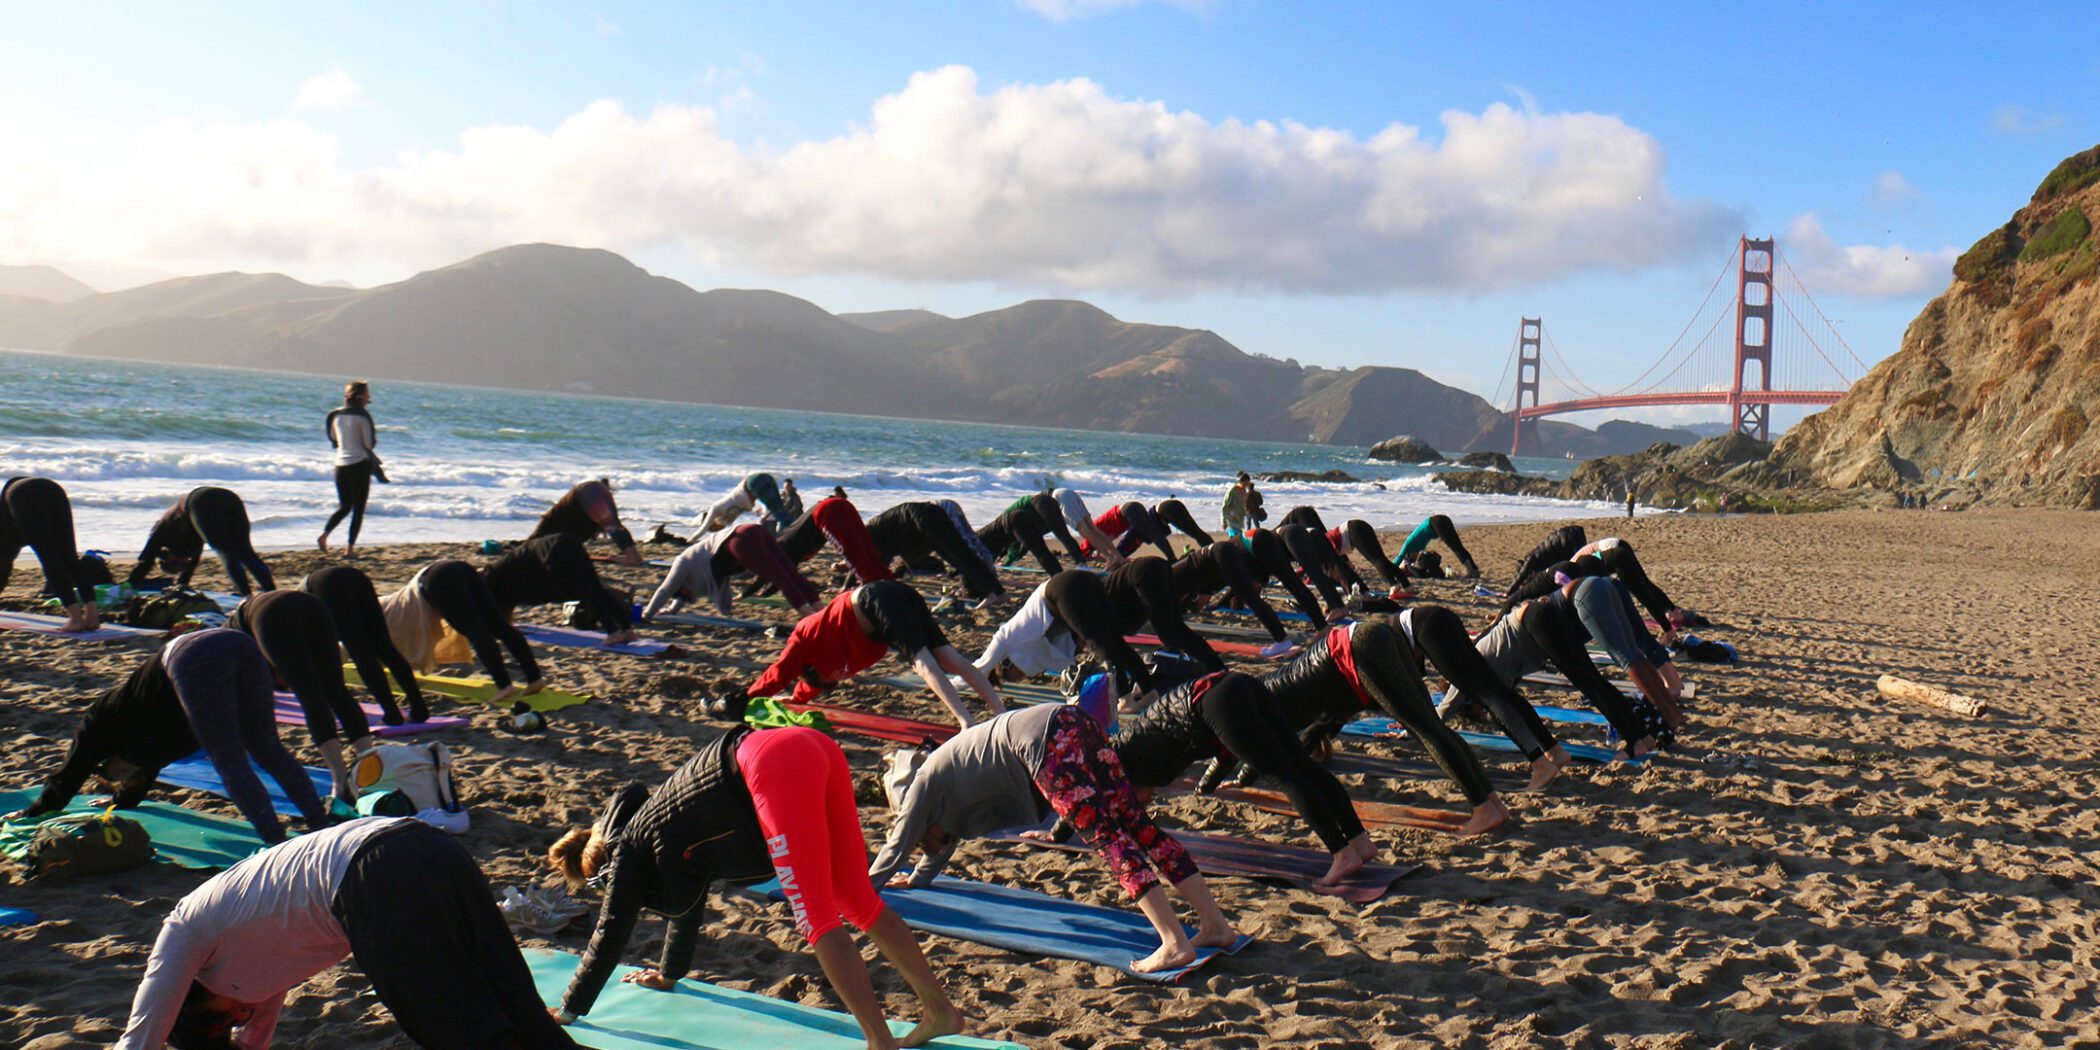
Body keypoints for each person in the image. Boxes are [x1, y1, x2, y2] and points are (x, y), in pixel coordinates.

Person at [549, 727, 963, 1049]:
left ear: (601, 862)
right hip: (810, 746)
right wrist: (668, 975)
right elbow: (686, 910)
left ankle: (878, 1041)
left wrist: (568, 1009)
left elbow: (610, 932)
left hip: (773, 764)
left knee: (814, 915)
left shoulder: (627, 853)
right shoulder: (659, 830)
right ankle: (939, 1011)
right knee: (854, 898)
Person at [119, 816, 574, 1050]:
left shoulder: (183, 932)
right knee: (515, 1001)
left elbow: (140, 1036)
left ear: (188, 999)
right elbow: (256, 1037)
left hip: (375, 872)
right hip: (427, 846)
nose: (243, 1016)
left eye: (225, 1020)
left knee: (452, 1026)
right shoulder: (255, 954)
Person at [870, 701, 1240, 974]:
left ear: (924, 826)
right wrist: (919, 879)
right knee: (1137, 826)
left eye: (929, 841)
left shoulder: (920, 792)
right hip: (1071, 720)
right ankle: (1215, 926)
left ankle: (1174, 943)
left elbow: (896, 845)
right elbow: (937, 848)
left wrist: (858, 891)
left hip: (1045, 741)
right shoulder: (943, 803)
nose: (936, 847)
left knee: (1107, 839)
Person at [9, 628, 328, 845]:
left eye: (117, 773)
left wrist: (37, 809)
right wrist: (121, 801)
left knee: (234, 758)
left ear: (110, 755)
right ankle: (319, 824)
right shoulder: (158, 749)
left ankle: (275, 841)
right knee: (264, 748)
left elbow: (72, 769)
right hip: (240, 644)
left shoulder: (101, 721)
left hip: (193, 655)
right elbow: (143, 774)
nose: (123, 775)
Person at [1079, 670, 1377, 887]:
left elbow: (1087, 794)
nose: (1145, 804)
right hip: (1235, 684)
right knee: (1302, 766)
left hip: (1217, 701)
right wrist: (1207, 787)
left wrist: (1056, 834)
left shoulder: (1121, 760)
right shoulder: (1137, 756)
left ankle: (1341, 852)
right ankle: (1359, 842)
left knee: (1284, 775)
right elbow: (1223, 751)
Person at [1257, 617, 1510, 835]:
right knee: (1431, 726)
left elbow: (1263, 745)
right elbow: (1321, 726)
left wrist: (1242, 777)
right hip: (1374, 635)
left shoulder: (1265, 705)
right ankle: (1490, 801)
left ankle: (1483, 807)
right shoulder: (1280, 691)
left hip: (1363, 646)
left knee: (1424, 729)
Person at [1444, 583, 1673, 758]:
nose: (1483, 712)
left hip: (1535, 620)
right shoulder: (1495, 680)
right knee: (1591, 680)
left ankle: (1636, 740)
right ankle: (1642, 737)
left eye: (1477, 710)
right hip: (1538, 619)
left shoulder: (1465, 673)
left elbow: (1445, 708)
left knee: (1589, 682)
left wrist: (1414, 730)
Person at [736, 582, 1002, 727]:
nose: (836, 679)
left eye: (827, 680)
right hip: (899, 595)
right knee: (949, 659)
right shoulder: (833, 663)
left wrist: (748, 698)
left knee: (924, 663)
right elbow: (810, 686)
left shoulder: (803, 639)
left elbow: (780, 672)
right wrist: (797, 699)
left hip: (875, 599)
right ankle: (999, 712)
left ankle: (966, 721)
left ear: (811, 669)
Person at [1391, 605, 1570, 790]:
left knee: (1489, 697)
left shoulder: (1385, 648)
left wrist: (1411, 727)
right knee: (1501, 694)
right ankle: (1553, 750)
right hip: (1439, 616)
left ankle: (1540, 764)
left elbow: (1441, 704)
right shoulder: (1393, 635)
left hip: (1428, 625)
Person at [228, 590, 374, 803]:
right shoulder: (242, 624)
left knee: (310, 696)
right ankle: (369, 763)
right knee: (336, 691)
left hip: (271, 615)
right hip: (312, 603)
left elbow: (258, 686)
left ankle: (339, 779)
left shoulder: (235, 639)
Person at [381, 560, 543, 707]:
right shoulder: (388, 603)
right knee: (500, 626)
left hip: (437, 580)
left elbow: (401, 641)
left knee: (477, 632)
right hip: (458, 567)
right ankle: (534, 678)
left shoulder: (386, 612)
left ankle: (504, 685)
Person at [301, 565, 428, 725]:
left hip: (328, 585)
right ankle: (419, 708)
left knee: (361, 654)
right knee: (385, 648)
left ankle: (392, 714)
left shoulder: (297, 608)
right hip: (355, 576)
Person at [644, 524, 824, 621]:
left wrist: (647, 614)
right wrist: (672, 610)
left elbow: (665, 590)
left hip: (741, 541)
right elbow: (721, 602)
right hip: (753, 531)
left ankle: (813, 619)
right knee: (790, 574)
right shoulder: (707, 574)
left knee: (784, 579)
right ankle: (821, 613)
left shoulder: (682, 562)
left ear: (683, 587)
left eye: (686, 593)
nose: (693, 594)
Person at [483, 535, 639, 645]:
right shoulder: (500, 572)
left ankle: (613, 632)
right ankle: (626, 629)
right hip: (566, 541)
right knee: (595, 587)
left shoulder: (492, 577)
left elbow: (491, 605)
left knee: (585, 591)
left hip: (554, 550)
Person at [129, 486, 275, 596]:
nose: (182, 561)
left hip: (200, 501)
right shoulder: (190, 545)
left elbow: (145, 561)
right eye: (182, 565)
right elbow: (194, 561)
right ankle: (272, 593)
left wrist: (129, 586)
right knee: (244, 553)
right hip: (229, 498)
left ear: (164, 554)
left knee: (229, 553)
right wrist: (182, 584)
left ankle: (248, 596)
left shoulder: (161, 531)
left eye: (175, 563)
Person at [0, 475, 99, 631]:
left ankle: (76, 619)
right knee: (70, 558)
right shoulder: (13, 493)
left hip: (25, 496)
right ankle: (92, 615)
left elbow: (5, 559)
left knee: (49, 559)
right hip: (54, 488)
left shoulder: (7, 512)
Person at [1168, 541, 1299, 658]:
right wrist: (1219, 604)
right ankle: (1282, 640)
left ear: (1192, 598)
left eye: (1198, 607)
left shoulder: (1175, 584)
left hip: (1222, 553)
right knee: (1250, 597)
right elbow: (1228, 589)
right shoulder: (1198, 583)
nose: (1203, 607)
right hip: (1224, 552)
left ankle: (1282, 641)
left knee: (1251, 598)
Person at [866, 501, 1004, 603]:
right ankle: (998, 592)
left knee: (957, 556)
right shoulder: (881, 538)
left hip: (923, 516)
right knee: (959, 554)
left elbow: (871, 563)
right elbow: (887, 564)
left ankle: (994, 592)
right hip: (930, 513)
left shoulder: (869, 536)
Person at [319, 380, 384, 557]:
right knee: (358, 509)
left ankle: (324, 535)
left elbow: (334, 438)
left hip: (340, 465)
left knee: (345, 506)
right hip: (359, 465)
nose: (369, 397)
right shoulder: (363, 416)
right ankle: (349, 549)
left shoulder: (336, 415)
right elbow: (369, 444)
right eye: (368, 394)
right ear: (361, 396)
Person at [776, 492, 895, 586]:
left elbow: (786, 578)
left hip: (825, 510)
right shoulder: (784, 542)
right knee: (864, 546)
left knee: (851, 551)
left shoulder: (790, 553)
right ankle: (886, 579)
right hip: (839, 503)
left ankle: (871, 583)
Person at [530, 479, 642, 567]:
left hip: (585, 493)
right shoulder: (561, 524)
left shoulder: (550, 527)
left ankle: (631, 557)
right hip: (594, 489)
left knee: (611, 526)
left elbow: (535, 541)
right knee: (614, 525)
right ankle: (634, 556)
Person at [1238, 527, 1335, 629]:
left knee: (1294, 585)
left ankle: (1322, 626)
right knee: (1296, 583)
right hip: (1258, 539)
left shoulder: (1235, 566)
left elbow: (1255, 582)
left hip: (1259, 541)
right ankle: (1323, 622)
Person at [975, 500, 1064, 575]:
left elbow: (1009, 546)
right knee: (1040, 550)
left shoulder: (981, 543)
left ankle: (1058, 575)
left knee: (1039, 551)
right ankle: (1059, 574)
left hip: (1016, 520)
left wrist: (1008, 561)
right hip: (1022, 518)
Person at [1047, 488, 1124, 566]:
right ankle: (1118, 556)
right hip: (1069, 492)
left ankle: (1109, 557)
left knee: (1084, 531)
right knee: (1093, 528)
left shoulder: (1044, 500)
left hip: (1060, 496)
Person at [1081, 501, 1177, 563]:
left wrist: (1103, 556)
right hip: (1131, 509)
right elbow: (1103, 544)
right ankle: (1170, 554)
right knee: (1146, 535)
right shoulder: (1095, 535)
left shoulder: (1090, 537)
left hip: (1129, 511)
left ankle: (1171, 558)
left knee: (1153, 535)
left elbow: (1096, 544)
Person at [696, 473, 791, 535]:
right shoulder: (728, 518)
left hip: (752, 483)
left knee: (779, 513)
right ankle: (796, 533)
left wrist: (690, 541)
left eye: (715, 529)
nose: (718, 530)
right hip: (763, 479)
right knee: (782, 513)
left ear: (712, 524)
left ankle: (790, 537)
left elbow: (702, 529)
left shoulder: (716, 509)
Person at [1391, 515, 1482, 579]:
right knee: (1458, 546)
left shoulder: (1408, 545)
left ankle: (1472, 571)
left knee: (1456, 547)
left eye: (1412, 560)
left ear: (1409, 554)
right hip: (1442, 520)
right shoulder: (1418, 548)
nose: (1414, 561)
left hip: (1436, 522)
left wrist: (1392, 569)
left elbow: (1399, 558)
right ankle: (1474, 569)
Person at [1508, 524, 1588, 596]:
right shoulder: (1540, 558)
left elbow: (1521, 575)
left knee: (1579, 565)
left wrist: (1511, 590)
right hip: (1570, 535)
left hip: (1567, 538)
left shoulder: (1531, 559)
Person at [1152, 499, 1217, 548]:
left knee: (1196, 534)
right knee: (1197, 532)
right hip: (1172, 504)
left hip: (1167, 509)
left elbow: (1161, 540)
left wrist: (1171, 557)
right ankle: (1213, 549)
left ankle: (1212, 551)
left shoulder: (1147, 528)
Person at [1221, 473, 1263, 540]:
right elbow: (1225, 506)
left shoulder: (1244, 491)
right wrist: (1223, 521)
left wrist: (1246, 513)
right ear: (1242, 481)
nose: (1247, 485)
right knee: (1235, 539)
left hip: (1239, 520)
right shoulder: (1232, 490)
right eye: (1246, 483)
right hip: (1231, 520)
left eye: (1248, 483)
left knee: (1239, 540)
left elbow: (1242, 506)